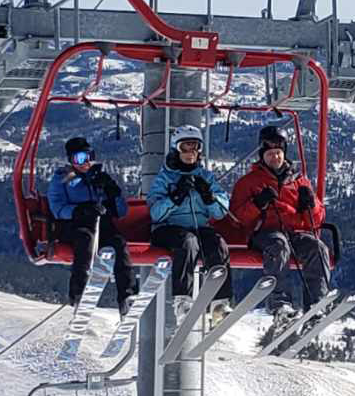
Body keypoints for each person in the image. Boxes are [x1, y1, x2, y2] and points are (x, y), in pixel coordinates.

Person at [230, 125, 331, 323]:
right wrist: (258, 204)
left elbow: (317, 220)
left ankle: (316, 302)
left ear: (284, 154)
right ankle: (279, 303)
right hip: (265, 233)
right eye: (269, 154)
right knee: (278, 244)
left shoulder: (299, 181)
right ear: (262, 155)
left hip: (295, 231)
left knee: (316, 247)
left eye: (278, 153)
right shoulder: (249, 182)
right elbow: (237, 218)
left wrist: (311, 205)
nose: (274, 158)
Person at [146, 125, 234, 320]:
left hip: (199, 228)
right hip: (168, 229)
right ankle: (182, 300)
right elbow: (155, 214)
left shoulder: (206, 177)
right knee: (188, 242)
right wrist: (175, 198)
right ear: (176, 149)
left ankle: (219, 302)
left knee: (217, 244)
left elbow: (221, 212)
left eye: (194, 147)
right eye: (184, 148)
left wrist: (209, 197)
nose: (189, 153)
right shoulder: (165, 178)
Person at [47, 136, 136, 312]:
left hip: (101, 226)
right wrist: (79, 211)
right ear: (71, 160)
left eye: (89, 156)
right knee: (85, 239)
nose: (85, 162)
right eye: (79, 158)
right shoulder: (63, 179)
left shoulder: (99, 178)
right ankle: (79, 292)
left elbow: (121, 211)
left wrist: (113, 194)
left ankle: (127, 295)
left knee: (119, 244)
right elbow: (57, 208)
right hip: (74, 226)